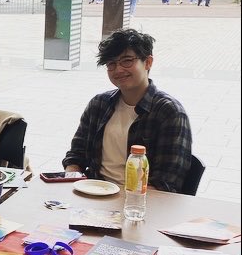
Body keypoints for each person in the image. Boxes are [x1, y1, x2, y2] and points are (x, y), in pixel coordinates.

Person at [62, 28, 192, 193]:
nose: (118, 70)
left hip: (138, 201)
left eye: (127, 61)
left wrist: (125, 203)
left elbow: (165, 182)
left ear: (148, 62)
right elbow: (76, 156)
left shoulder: (169, 112)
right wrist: (73, 179)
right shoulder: (99, 104)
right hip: (94, 193)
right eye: (111, 64)